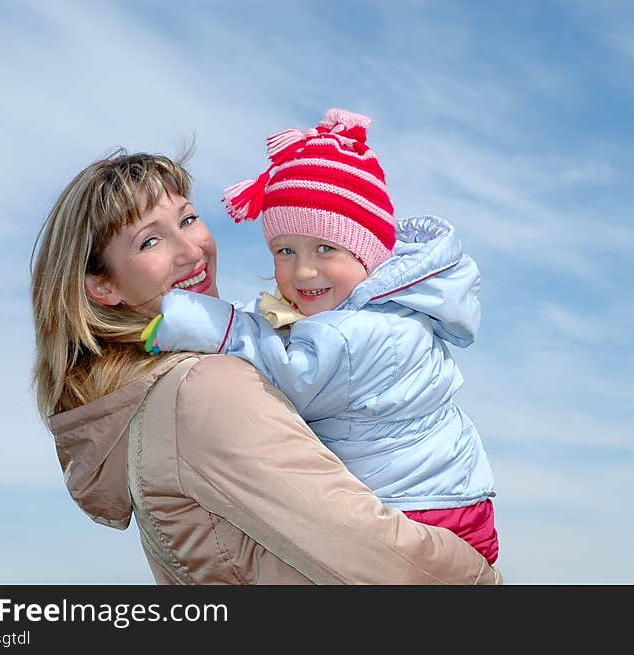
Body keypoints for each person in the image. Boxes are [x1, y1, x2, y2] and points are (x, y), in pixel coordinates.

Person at [30, 147, 502, 585]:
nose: (193, 250)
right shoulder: (201, 391)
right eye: (150, 241)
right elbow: (387, 561)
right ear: (103, 288)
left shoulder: (146, 399)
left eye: (189, 219)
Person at [143, 108, 499, 564]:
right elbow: (274, 327)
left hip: (429, 512)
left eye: (325, 249)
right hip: (436, 499)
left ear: (368, 250)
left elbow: (291, 372)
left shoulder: (369, 332)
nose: (303, 269)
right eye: (284, 251)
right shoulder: (359, 309)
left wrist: (201, 322)